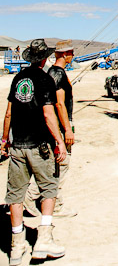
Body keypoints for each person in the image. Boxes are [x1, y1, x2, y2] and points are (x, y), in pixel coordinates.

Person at [1, 39, 67, 264]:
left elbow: (9, 112)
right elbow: (49, 115)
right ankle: (43, 241)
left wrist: (4, 139)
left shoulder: (18, 78)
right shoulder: (45, 79)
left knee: (15, 195)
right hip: (39, 146)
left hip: (17, 145)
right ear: (45, 58)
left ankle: (17, 246)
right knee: (48, 189)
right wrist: (59, 140)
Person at [24, 40, 76, 218]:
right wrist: (67, 130)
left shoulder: (52, 73)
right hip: (60, 127)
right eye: (70, 53)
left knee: (53, 164)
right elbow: (59, 104)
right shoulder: (58, 74)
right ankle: (51, 203)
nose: (73, 56)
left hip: (55, 126)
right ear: (63, 54)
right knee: (61, 164)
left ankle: (34, 199)